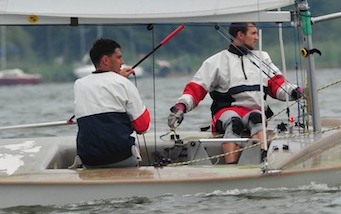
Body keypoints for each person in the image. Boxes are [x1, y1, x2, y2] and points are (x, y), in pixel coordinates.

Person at [167, 23, 303, 164]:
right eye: (253, 33)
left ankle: (263, 162)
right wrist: (181, 106)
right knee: (234, 122)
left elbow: (278, 84)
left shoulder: (263, 58)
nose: (257, 37)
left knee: (257, 119)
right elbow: (196, 88)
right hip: (226, 112)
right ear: (240, 35)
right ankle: (231, 167)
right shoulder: (216, 62)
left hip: (254, 111)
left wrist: (294, 91)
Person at [73, 38, 150, 168]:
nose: (122, 62)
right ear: (106, 60)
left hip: (89, 160)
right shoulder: (123, 83)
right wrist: (120, 80)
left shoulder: (79, 84)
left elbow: (102, 87)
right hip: (122, 157)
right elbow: (143, 127)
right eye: (119, 57)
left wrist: (117, 77)